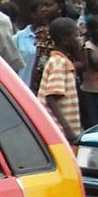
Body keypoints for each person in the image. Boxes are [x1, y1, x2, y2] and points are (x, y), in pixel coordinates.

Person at [37, 17, 83, 145]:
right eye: (76, 35)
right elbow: (51, 97)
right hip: (58, 132)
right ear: (65, 40)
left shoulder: (61, 61)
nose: (79, 39)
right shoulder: (59, 63)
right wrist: (68, 130)